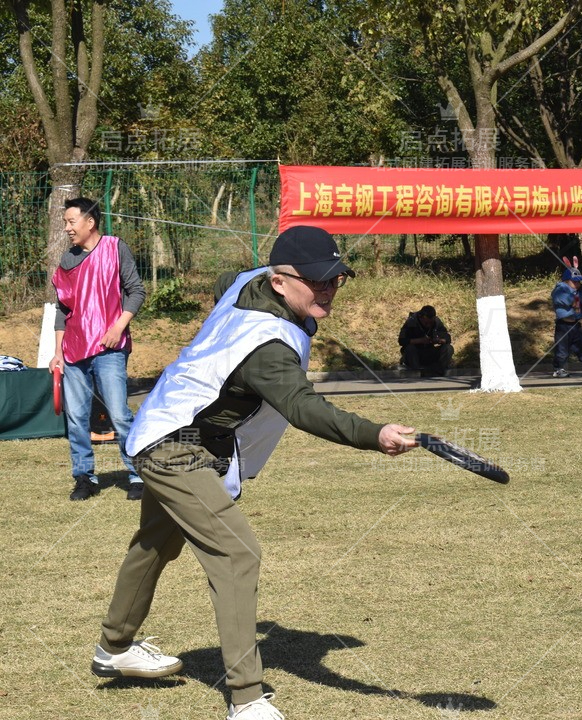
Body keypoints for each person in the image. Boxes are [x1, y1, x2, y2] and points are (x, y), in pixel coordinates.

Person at [90, 226, 419, 720]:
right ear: (282, 280)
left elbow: (229, 275)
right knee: (237, 553)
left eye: (336, 280)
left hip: (169, 427)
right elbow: (303, 407)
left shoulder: (247, 281)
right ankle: (246, 699)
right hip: (174, 446)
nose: (329, 289)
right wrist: (376, 434)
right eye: (319, 281)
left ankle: (113, 649)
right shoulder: (268, 346)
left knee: (155, 543)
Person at [50, 197, 146, 501]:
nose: (67, 228)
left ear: (90, 222)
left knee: (119, 415)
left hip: (109, 348)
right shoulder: (68, 260)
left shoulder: (115, 248)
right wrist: (57, 352)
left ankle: (138, 475)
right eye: (65, 222)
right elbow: (61, 309)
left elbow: (136, 291)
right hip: (74, 350)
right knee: (77, 418)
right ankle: (84, 478)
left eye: (71, 221)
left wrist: (118, 327)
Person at [551, 265, 582, 378]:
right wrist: (572, 300)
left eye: (579, 282)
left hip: (575, 324)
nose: (577, 284)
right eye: (574, 282)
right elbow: (559, 297)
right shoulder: (561, 288)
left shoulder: (580, 289)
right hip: (563, 325)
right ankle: (558, 369)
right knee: (562, 348)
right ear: (566, 281)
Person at [398, 305, 454, 375]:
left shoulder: (436, 322)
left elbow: (447, 338)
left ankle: (439, 370)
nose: (428, 325)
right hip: (416, 353)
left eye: (431, 323)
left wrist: (439, 340)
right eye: (426, 323)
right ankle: (416, 371)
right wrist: (420, 340)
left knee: (448, 348)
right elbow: (402, 340)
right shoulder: (411, 321)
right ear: (420, 318)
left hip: (430, 351)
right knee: (410, 349)